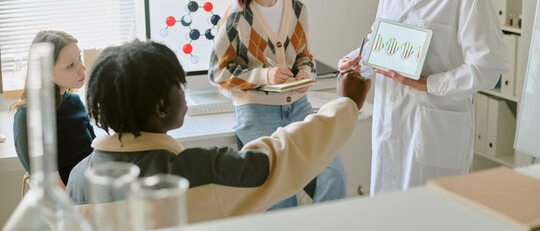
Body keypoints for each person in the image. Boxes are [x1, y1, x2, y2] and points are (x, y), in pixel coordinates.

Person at [65, 40, 371, 224]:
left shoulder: (76, 180)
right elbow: (284, 156)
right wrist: (346, 104)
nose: (184, 95)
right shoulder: (197, 174)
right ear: (161, 106)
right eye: (179, 86)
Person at [339, 0, 508, 195]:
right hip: (391, 121)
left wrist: (428, 83)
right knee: (388, 214)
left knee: (429, 219)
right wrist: (359, 58)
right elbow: (381, 37)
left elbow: (488, 68)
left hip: (433, 129)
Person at [208, 0, 347, 209]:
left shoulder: (297, 9)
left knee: (334, 174)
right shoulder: (237, 17)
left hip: (299, 108)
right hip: (256, 113)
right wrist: (264, 77)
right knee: (281, 193)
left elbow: (306, 57)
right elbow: (218, 71)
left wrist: (304, 75)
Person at [11, 30, 95, 186]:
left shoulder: (75, 102)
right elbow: (52, 186)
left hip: (94, 191)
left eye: (79, 58)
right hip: (71, 203)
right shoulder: (27, 117)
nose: (82, 68)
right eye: (70, 65)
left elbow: (95, 156)